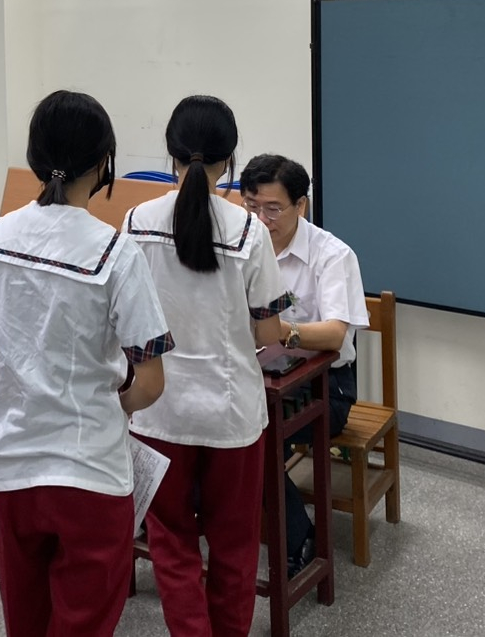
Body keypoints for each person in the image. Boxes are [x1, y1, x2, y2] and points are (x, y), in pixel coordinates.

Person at [0, 90, 172, 637]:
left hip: (10, 463)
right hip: (88, 470)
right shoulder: (115, 252)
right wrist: (112, 402)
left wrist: (28, 372)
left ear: (35, 157)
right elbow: (151, 382)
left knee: (26, 621)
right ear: (104, 162)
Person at [125, 97, 285, 637]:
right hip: (231, 414)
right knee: (235, 544)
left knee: (171, 542)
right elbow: (268, 333)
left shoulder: (137, 221)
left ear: (170, 151)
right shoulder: (248, 231)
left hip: (157, 411)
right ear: (229, 158)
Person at [239, 153, 369, 573]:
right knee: (220, 428)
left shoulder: (332, 255)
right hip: (259, 378)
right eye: (251, 206)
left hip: (326, 387)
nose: (261, 219)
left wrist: (279, 331)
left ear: (301, 205)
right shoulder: (240, 245)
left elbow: (335, 335)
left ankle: (300, 537)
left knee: (253, 440)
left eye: (273, 209)